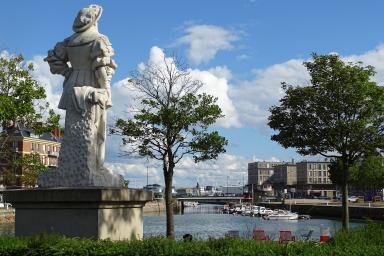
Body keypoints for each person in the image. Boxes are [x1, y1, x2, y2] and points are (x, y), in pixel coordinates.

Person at [38, 4, 123, 187]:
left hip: (71, 88)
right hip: (92, 88)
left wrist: (69, 74)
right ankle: (94, 167)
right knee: (97, 129)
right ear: (95, 19)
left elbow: (55, 61)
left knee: (73, 129)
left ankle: (78, 168)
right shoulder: (98, 40)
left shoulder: (68, 42)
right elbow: (100, 68)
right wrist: (106, 89)